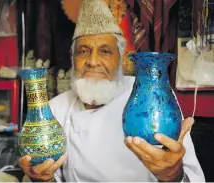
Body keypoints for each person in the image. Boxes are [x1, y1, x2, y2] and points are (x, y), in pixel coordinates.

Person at [19, 0, 205, 182]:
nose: (93, 61)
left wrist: (172, 175)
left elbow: (193, 179)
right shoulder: (53, 109)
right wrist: (41, 179)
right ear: (72, 58)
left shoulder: (153, 96)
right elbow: (50, 177)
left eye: (105, 51)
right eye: (83, 51)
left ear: (121, 59)